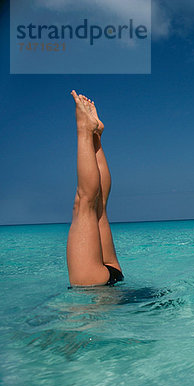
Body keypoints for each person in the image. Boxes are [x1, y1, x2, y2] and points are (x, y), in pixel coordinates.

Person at [66, 90, 123, 286]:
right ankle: (87, 132)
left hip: (113, 275)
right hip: (97, 286)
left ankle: (94, 135)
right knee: (87, 204)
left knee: (98, 206)